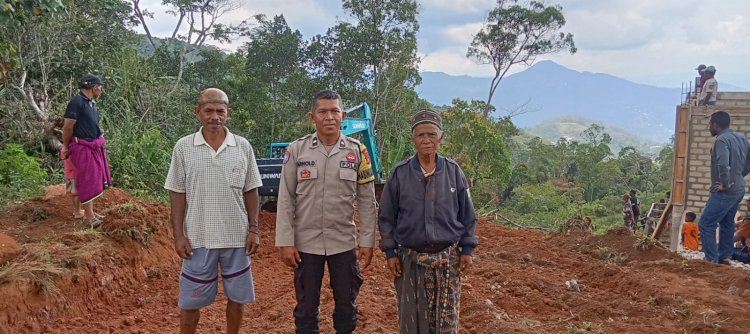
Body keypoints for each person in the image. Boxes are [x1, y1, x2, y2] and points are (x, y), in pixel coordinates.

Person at [275, 89, 377, 334]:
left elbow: (367, 199)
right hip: (306, 245)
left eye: (334, 111)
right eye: (323, 111)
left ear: (343, 115)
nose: (329, 117)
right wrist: (285, 241)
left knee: (346, 305)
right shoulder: (297, 150)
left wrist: (367, 241)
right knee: (306, 307)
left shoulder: (358, 152)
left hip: (343, 243)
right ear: (312, 116)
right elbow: (285, 198)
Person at [164, 88, 263, 334]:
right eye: (209, 110)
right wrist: (179, 235)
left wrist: (254, 230)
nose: (215, 116)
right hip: (198, 238)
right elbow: (177, 193)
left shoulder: (242, 146)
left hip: (237, 238)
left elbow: (251, 190)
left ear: (228, 113)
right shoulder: (184, 147)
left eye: (220, 111)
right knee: (189, 302)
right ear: (197, 112)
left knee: (237, 298)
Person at [378, 108, 478, 334]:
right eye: (420, 135)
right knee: (410, 322)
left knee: (445, 324)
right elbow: (386, 216)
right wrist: (391, 252)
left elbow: (468, 215)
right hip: (409, 261)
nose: (426, 140)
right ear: (413, 137)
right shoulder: (400, 173)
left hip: (447, 261)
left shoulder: (453, 172)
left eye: (432, 134)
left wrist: (467, 249)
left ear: (441, 136)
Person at [699, 111, 750, 265]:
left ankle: (711, 259)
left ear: (715, 124)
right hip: (739, 188)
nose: (709, 128)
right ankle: (725, 257)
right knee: (727, 222)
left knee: (706, 223)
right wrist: (739, 176)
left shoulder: (721, 140)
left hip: (726, 190)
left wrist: (726, 183)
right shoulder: (742, 138)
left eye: (710, 125)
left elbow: (723, 163)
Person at [61, 74, 111, 227]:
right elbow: (68, 126)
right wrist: (65, 145)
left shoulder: (90, 103)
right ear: (95, 87)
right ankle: (88, 217)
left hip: (92, 146)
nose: (100, 91)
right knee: (87, 179)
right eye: (100, 88)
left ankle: (91, 212)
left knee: (94, 178)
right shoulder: (77, 102)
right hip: (82, 147)